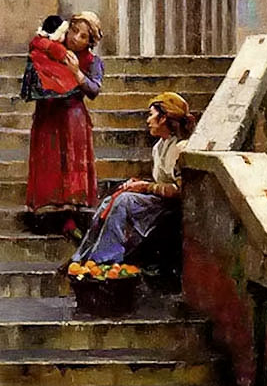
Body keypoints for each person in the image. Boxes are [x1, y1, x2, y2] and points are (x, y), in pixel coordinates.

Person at [70, 92, 196, 275]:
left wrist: (145, 187)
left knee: (125, 201)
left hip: (171, 209)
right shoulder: (158, 147)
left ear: (163, 118)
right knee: (110, 201)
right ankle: (84, 257)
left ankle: (106, 258)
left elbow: (181, 190)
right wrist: (140, 184)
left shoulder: (180, 148)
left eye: (151, 115)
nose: (148, 120)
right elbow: (159, 181)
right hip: (157, 202)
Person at [24, 11, 103, 232]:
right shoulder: (54, 45)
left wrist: (77, 73)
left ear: (90, 42)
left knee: (70, 164)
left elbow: (94, 89)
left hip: (72, 117)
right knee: (48, 161)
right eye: (74, 31)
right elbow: (36, 45)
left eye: (83, 36)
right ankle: (45, 212)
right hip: (48, 113)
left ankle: (69, 215)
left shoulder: (92, 61)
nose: (76, 38)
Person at [22, 15, 80, 98]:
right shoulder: (52, 45)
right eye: (63, 33)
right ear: (57, 34)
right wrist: (67, 53)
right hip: (45, 69)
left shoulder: (39, 41)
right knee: (64, 75)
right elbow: (61, 54)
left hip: (36, 68)